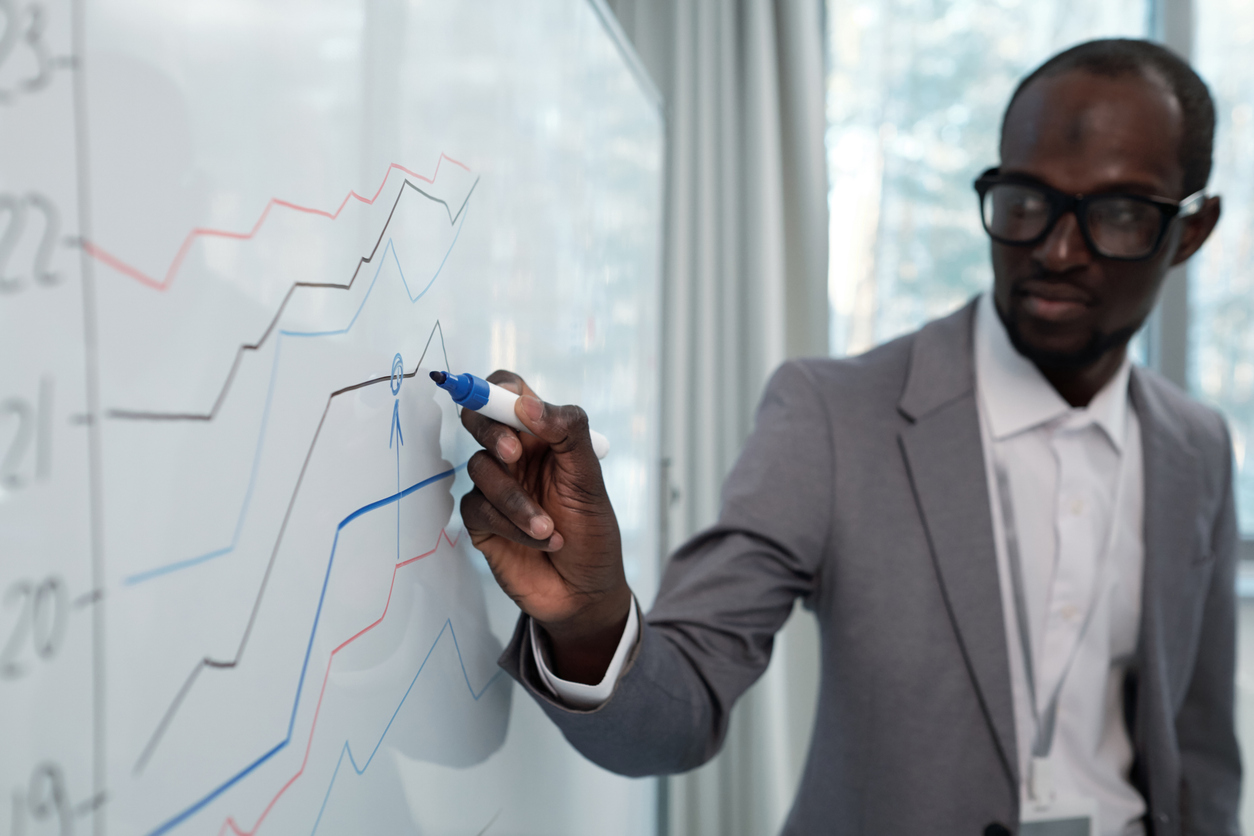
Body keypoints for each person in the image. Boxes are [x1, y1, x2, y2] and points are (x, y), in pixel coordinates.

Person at [458, 39, 1236, 835]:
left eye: (1117, 214)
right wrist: (589, 621)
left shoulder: (1198, 446)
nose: (1059, 251)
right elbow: (678, 710)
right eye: (1026, 200)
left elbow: (1202, 745)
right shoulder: (834, 414)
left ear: (1191, 231)